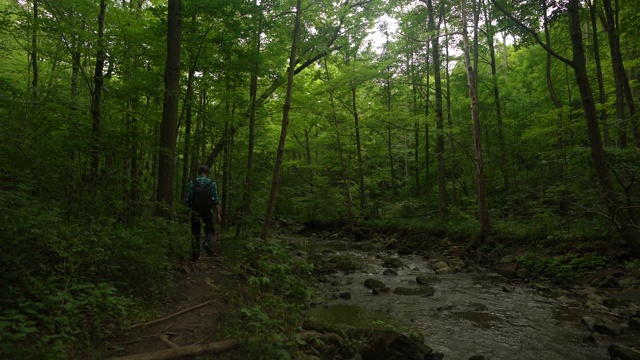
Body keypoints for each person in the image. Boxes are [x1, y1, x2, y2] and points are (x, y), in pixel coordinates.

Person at [185, 165, 222, 261]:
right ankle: (207, 242)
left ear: (199, 172)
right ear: (207, 172)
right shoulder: (212, 183)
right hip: (208, 211)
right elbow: (216, 200)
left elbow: (187, 199)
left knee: (195, 232)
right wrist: (218, 214)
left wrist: (187, 212)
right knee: (210, 230)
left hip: (195, 211)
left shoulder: (192, 183)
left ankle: (195, 255)